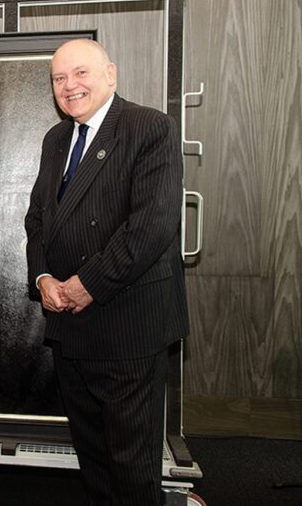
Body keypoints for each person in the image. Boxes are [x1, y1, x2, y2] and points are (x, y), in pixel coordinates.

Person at [25, 39, 189, 506]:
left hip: (128, 327)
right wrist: (43, 280)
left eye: (81, 73)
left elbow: (150, 227)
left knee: (131, 468)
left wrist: (84, 285)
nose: (69, 86)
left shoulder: (149, 127)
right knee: (93, 460)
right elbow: (36, 220)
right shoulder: (56, 140)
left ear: (111, 75)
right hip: (69, 326)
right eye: (59, 78)